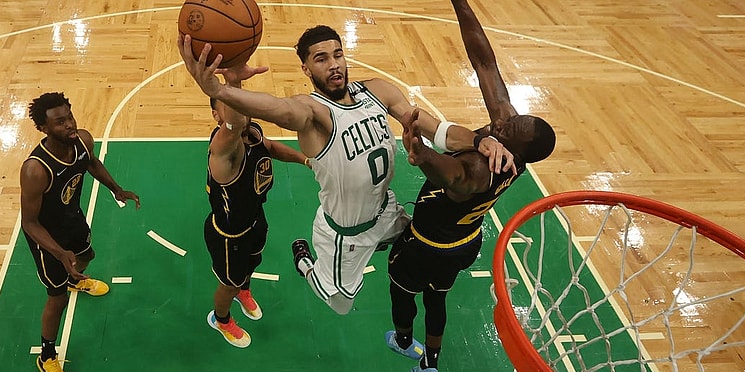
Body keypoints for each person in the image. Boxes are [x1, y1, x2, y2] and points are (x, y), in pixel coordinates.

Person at [177, 26, 513, 315]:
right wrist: (222, 91)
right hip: (345, 235)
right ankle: (306, 264)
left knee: (419, 238)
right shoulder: (313, 113)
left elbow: (436, 129)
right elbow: (279, 109)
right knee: (340, 304)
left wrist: (478, 141)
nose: (334, 65)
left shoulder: (377, 91)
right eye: (321, 59)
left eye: (337, 55)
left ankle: (384, 241)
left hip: (385, 210)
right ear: (306, 69)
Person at [383, 0, 556, 372]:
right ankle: (431, 364)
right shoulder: (508, 138)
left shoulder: (482, 170)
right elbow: (484, 62)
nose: (506, 118)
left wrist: (420, 153)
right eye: (514, 116)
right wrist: (461, 4)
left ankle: (406, 341)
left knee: (403, 288)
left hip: (429, 244)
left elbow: (453, 177)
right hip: (465, 239)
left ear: (519, 145)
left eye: (513, 125)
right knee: (438, 296)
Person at [21, 92, 140, 372]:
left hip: (72, 219)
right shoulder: (35, 170)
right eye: (59, 122)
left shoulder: (82, 141)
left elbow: (92, 163)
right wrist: (60, 254)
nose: (69, 124)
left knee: (87, 254)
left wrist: (117, 189)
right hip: (47, 239)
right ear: (44, 128)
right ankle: (47, 357)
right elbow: (29, 223)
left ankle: (75, 280)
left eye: (69, 116)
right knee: (57, 298)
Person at [204, 66, 308, 347]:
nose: (239, 108)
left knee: (253, 262)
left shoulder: (253, 131)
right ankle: (221, 319)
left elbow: (271, 148)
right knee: (229, 282)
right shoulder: (223, 151)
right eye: (229, 104)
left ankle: (244, 289)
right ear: (216, 115)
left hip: (254, 219)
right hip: (229, 235)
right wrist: (233, 80)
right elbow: (234, 124)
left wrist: (305, 160)